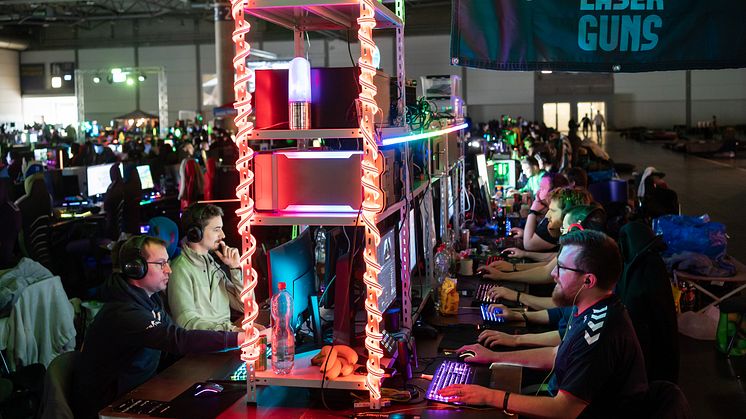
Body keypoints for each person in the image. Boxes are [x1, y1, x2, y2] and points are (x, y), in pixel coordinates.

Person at [441, 230, 648, 418]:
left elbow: (565, 409)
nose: (553, 274)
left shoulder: (598, 333)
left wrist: (488, 397)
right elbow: (557, 354)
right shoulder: (592, 307)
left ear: (588, 281)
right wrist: (494, 357)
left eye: (562, 267)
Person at [71, 236, 245, 418]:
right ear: (136, 269)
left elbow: (177, 339)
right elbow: (177, 340)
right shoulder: (123, 312)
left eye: (167, 262)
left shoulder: (151, 300)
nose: (169, 270)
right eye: (161, 264)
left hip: (140, 391)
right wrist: (239, 338)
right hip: (110, 406)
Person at [168, 203, 245, 331]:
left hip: (225, 339)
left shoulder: (213, 266)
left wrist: (235, 268)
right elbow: (186, 323)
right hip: (203, 347)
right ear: (195, 233)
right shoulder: (180, 269)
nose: (223, 235)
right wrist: (230, 331)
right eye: (216, 229)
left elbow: (245, 307)